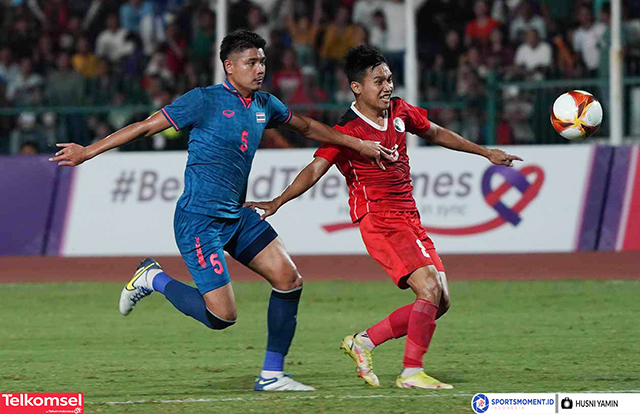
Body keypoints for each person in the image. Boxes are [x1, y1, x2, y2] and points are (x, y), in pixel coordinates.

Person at [49, 30, 392, 392]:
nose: (260, 68)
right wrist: (88, 151)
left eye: (262, 61)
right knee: (221, 316)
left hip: (236, 214)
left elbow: (306, 127)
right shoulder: (204, 100)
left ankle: (272, 375)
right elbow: (146, 127)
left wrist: (356, 142)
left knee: (289, 280)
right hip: (200, 220)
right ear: (229, 67)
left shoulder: (265, 104)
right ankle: (152, 278)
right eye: (251, 62)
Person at [245, 45, 521, 390]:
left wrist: (485, 152)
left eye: (389, 78)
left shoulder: (400, 110)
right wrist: (278, 201)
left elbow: (435, 132)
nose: (388, 86)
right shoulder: (346, 130)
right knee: (429, 290)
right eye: (379, 80)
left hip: (409, 216)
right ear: (357, 87)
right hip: (379, 218)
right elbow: (316, 168)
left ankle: (364, 342)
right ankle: (411, 373)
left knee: (441, 301)